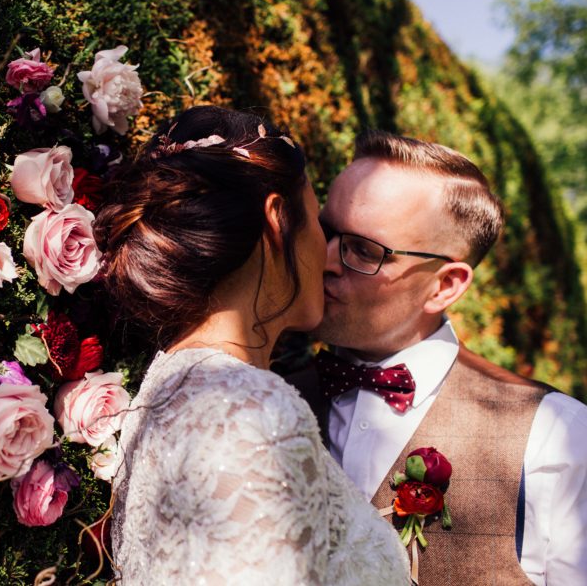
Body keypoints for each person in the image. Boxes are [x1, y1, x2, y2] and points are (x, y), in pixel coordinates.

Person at [93, 107, 410, 585]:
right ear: (278, 221)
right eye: (317, 220)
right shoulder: (251, 409)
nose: (328, 257)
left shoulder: (164, 388)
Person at [292, 130, 587, 586]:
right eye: (326, 232)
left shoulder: (556, 436)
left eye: (364, 250)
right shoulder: (267, 393)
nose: (326, 260)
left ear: (445, 286)